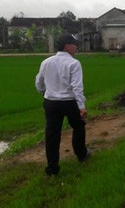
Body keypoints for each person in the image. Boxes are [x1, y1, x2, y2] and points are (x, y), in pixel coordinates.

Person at [35, 34, 91, 176]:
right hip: (69, 102)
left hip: (51, 103)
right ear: (67, 46)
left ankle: (52, 169)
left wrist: (44, 93)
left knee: (52, 134)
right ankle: (82, 154)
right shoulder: (74, 63)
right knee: (78, 126)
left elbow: (39, 82)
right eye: (74, 44)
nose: (76, 47)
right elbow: (77, 87)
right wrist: (82, 106)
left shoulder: (46, 62)